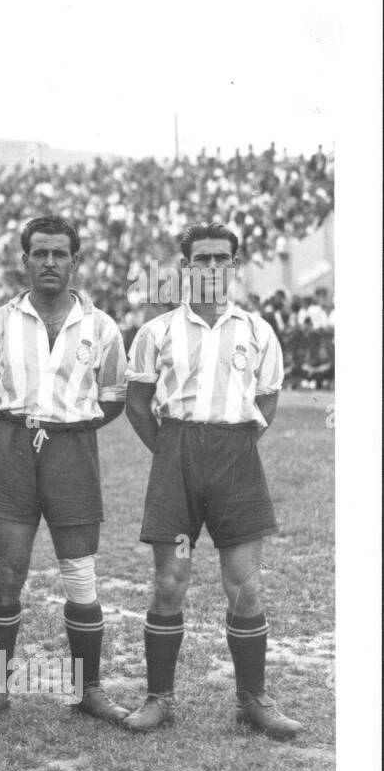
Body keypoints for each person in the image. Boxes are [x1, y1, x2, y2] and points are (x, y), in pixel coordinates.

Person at [123, 223, 301, 739]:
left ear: (234, 265)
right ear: (184, 269)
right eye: (201, 259)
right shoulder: (156, 332)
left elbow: (267, 398)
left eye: (222, 258)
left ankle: (252, 701)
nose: (212, 268)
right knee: (169, 582)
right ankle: (159, 698)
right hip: (175, 453)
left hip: (235, 459)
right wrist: (174, 453)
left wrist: (234, 448)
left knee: (245, 584)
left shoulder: (257, 331)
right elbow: (137, 406)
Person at [0, 215, 129, 725]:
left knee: (80, 575)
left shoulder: (101, 326)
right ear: (25, 260)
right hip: (13, 447)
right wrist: (22, 428)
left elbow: (114, 398)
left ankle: (88, 690)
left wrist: (65, 430)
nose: (50, 262)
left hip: (73, 451)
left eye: (60, 254)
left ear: (76, 262)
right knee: (8, 573)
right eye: (40, 253)